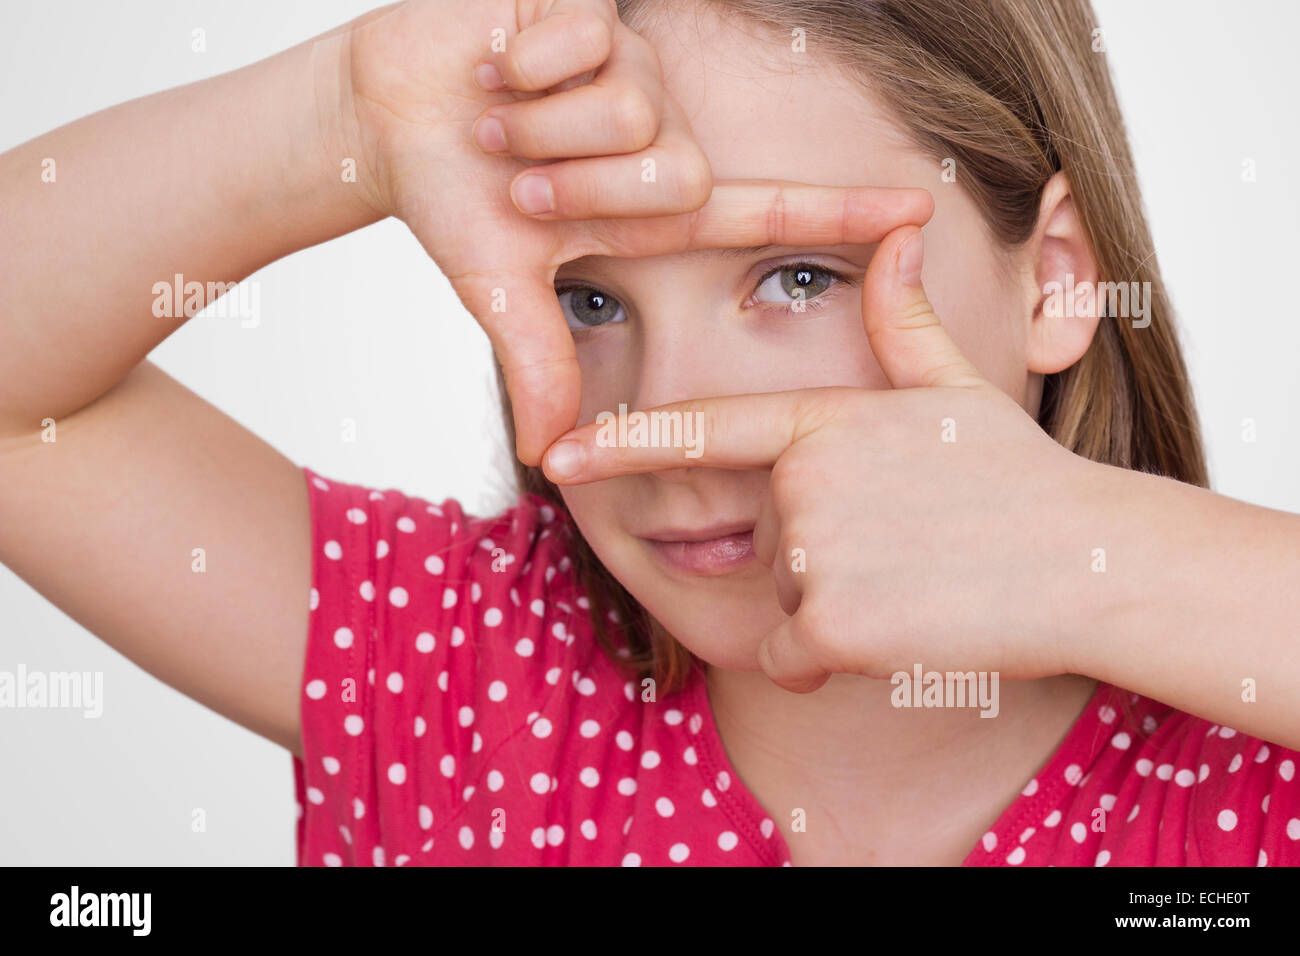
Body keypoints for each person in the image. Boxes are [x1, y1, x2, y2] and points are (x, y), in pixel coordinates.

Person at [0, 0, 1296, 866]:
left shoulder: (1253, 764)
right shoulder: (462, 672)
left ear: (1060, 277)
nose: (666, 426)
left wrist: (1103, 557)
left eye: (798, 279)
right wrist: (336, 118)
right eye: (591, 300)